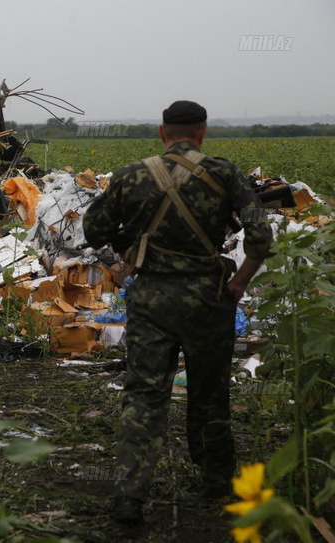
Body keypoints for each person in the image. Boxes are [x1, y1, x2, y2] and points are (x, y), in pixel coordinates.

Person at [82, 100, 274, 524]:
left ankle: (130, 495)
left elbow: (93, 229)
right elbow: (260, 236)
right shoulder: (224, 173)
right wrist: (239, 283)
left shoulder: (131, 175)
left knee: (145, 394)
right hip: (209, 300)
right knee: (209, 392)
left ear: (161, 132)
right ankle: (216, 482)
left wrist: (131, 248)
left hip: (150, 299)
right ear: (203, 132)